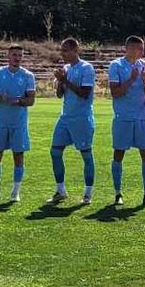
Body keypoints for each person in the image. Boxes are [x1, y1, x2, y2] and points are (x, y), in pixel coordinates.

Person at [108, 35, 145, 206]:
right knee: (118, 154)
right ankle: (118, 194)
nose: (142, 51)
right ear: (128, 48)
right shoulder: (116, 65)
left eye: (142, 49)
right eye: (139, 48)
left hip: (142, 118)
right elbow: (115, 93)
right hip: (123, 118)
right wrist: (131, 79)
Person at [0, 43, 36, 202]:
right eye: (14, 55)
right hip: (0, 121)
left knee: (18, 156)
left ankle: (15, 193)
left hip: (18, 123)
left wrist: (19, 101)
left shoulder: (28, 76)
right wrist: (1, 99)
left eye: (20, 55)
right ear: (8, 56)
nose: (17, 58)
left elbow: (31, 100)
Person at [50, 38, 97, 204]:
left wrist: (64, 80)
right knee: (55, 152)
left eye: (65, 50)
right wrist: (60, 81)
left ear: (75, 50)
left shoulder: (87, 68)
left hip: (81, 118)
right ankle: (60, 190)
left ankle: (88, 193)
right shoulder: (66, 68)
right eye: (61, 50)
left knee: (86, 154)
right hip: (65, 117)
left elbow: (84, 93)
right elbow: (59, 95)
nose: (62, 53)